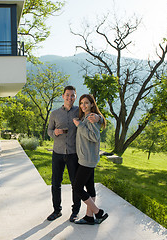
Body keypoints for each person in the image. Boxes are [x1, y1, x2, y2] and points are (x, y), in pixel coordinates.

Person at [47, 86, 100, 222]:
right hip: (57, 153)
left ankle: (75, 211)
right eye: (67, 95)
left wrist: (99, 117)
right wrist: (54, 133)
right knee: (55, 183)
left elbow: (94, 114)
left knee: (75, 184)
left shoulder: (80, 111)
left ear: (75, 97)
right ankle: (57, 210)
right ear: (63, 96)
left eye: (72, 95)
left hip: (74, 154)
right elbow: (49, 131)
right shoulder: (55, 113)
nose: (70, 98)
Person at [72, 94, 108, 225]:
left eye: (86, 103)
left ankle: (98, 213)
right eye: (81, 103)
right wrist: (100, 118)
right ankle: (89, 216)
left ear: (92, 104)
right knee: (90, 187)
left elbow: (94, 137)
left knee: (77, 187)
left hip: (87, 159)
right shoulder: (89, 117)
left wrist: (80, 125)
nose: (83, 105)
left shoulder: (91, 117)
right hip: (87, 157)